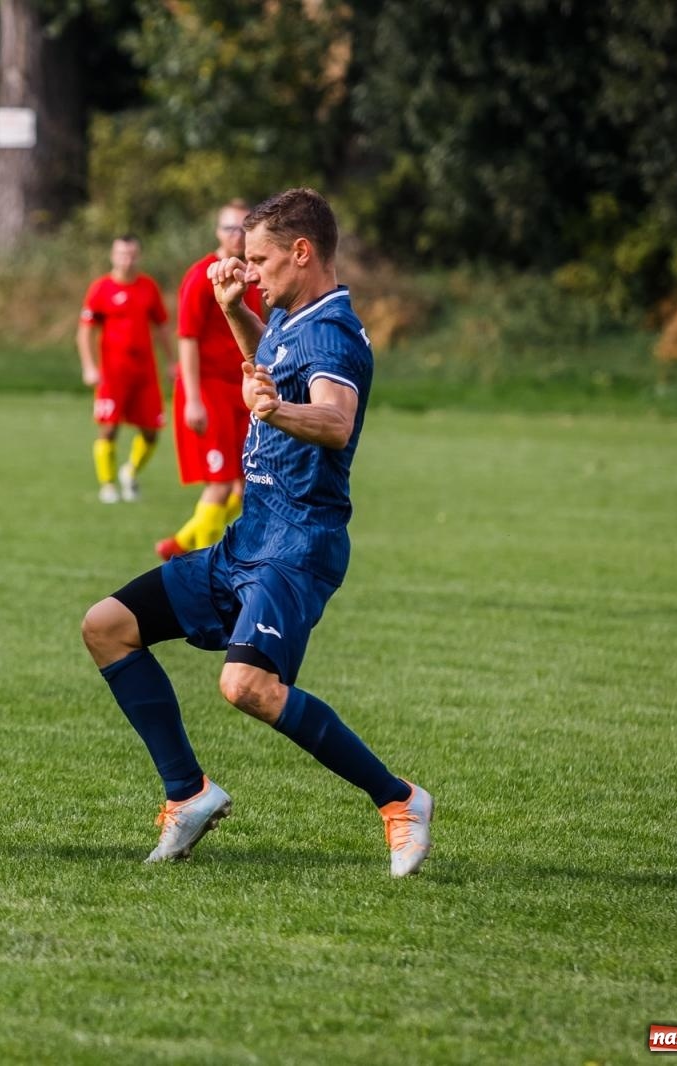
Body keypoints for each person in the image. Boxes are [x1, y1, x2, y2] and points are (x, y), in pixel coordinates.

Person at [80, 188, 433, 877]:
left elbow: (334, 419)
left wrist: (274, 414)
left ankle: (399, 800)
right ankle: (188, 794)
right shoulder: (289, 315)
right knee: (107, 627)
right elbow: (269, 369)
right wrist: (234, 311)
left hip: (297, 546)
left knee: (248, 686)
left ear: (302, 253)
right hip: (249, 539)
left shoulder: (331, 332)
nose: (250, 272)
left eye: (260, 262)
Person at [157, 200, 264, 560]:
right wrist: (193, 400)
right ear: (217, 232)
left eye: (243, 228)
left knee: (245, 486)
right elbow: (187, 338)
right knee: (218, 484)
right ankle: (203, 570)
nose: (237, 235)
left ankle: (181, 544)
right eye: (229, 228)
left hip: (242, 391)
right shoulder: (202, 276)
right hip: (208, 389)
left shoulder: (252, 277)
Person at [76, 234, 173, 503]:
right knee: (109, 428)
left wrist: (171, 361)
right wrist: (89, 366)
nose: (127, 260)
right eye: (121, 254)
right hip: (113, 372)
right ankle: (107, 485)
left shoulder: (148, 287)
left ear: (138, 256)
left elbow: (162, 326)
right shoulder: (101, 288)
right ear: (112, 256)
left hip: (145, 372)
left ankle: (129, 471)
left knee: (152, 432)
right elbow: (84, 331)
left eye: (131, 254)